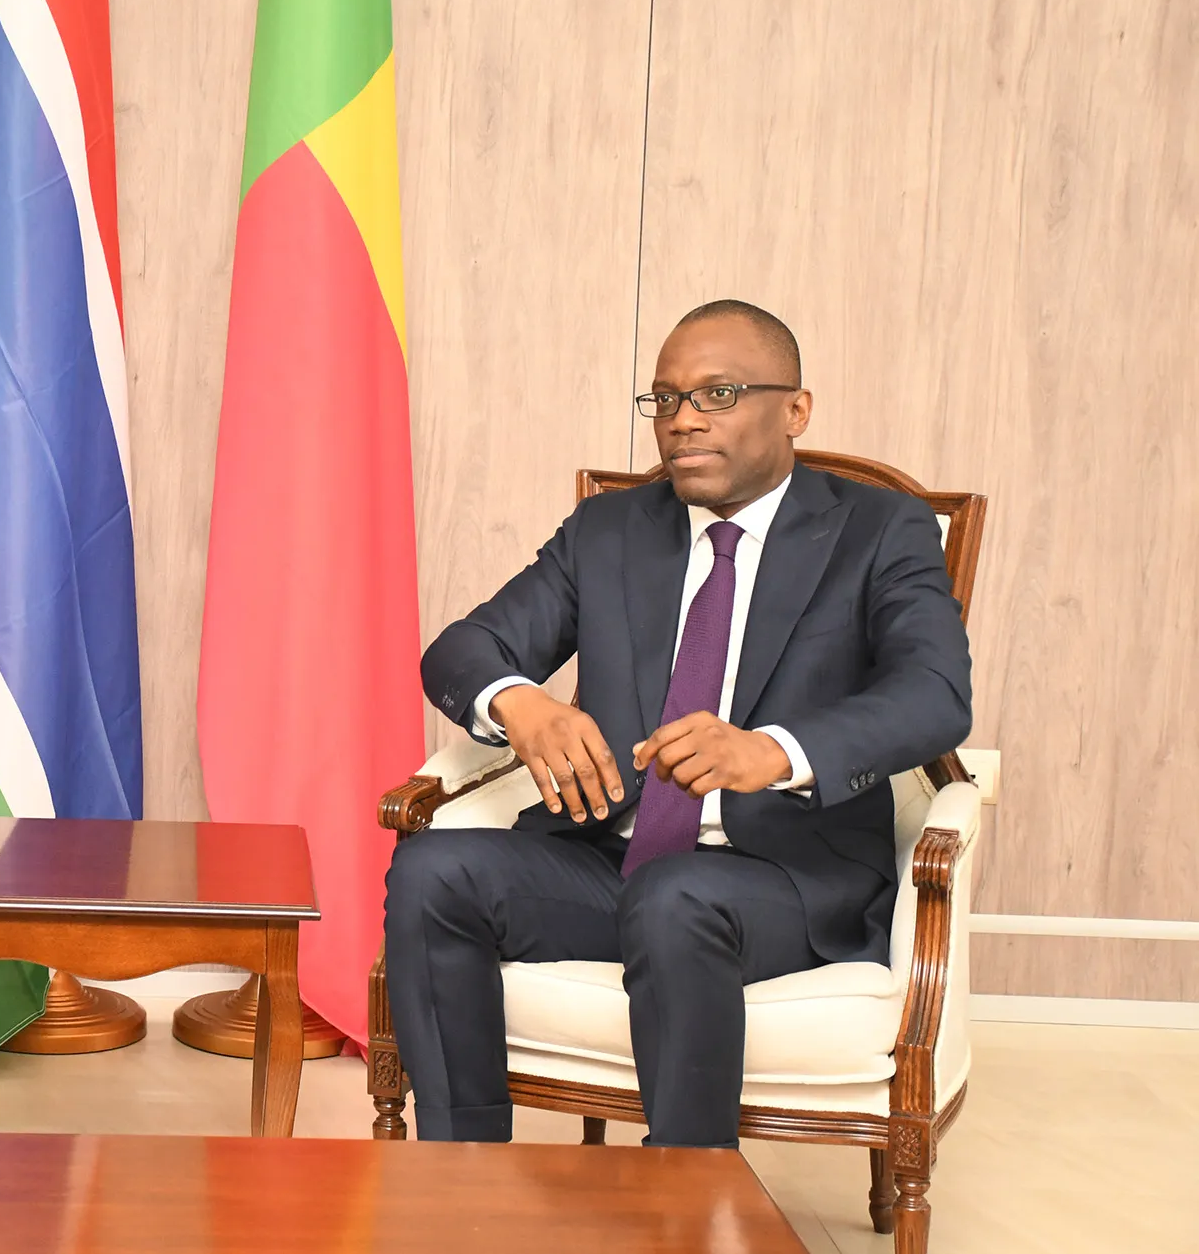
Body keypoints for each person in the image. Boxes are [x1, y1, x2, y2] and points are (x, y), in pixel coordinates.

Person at [386, 299, 971, 1147]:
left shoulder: (880, 530)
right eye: (664, 399)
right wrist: (522, 702)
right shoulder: (611, 529)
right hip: (609, 860)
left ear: (795, 410)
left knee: (676, 895)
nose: (684, 419)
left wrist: (774, 751)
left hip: (789, 881)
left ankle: (685, 1203)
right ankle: (466, 1173)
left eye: (718, 393)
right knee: (434, 870)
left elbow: (933, 693)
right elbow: (465, 647)